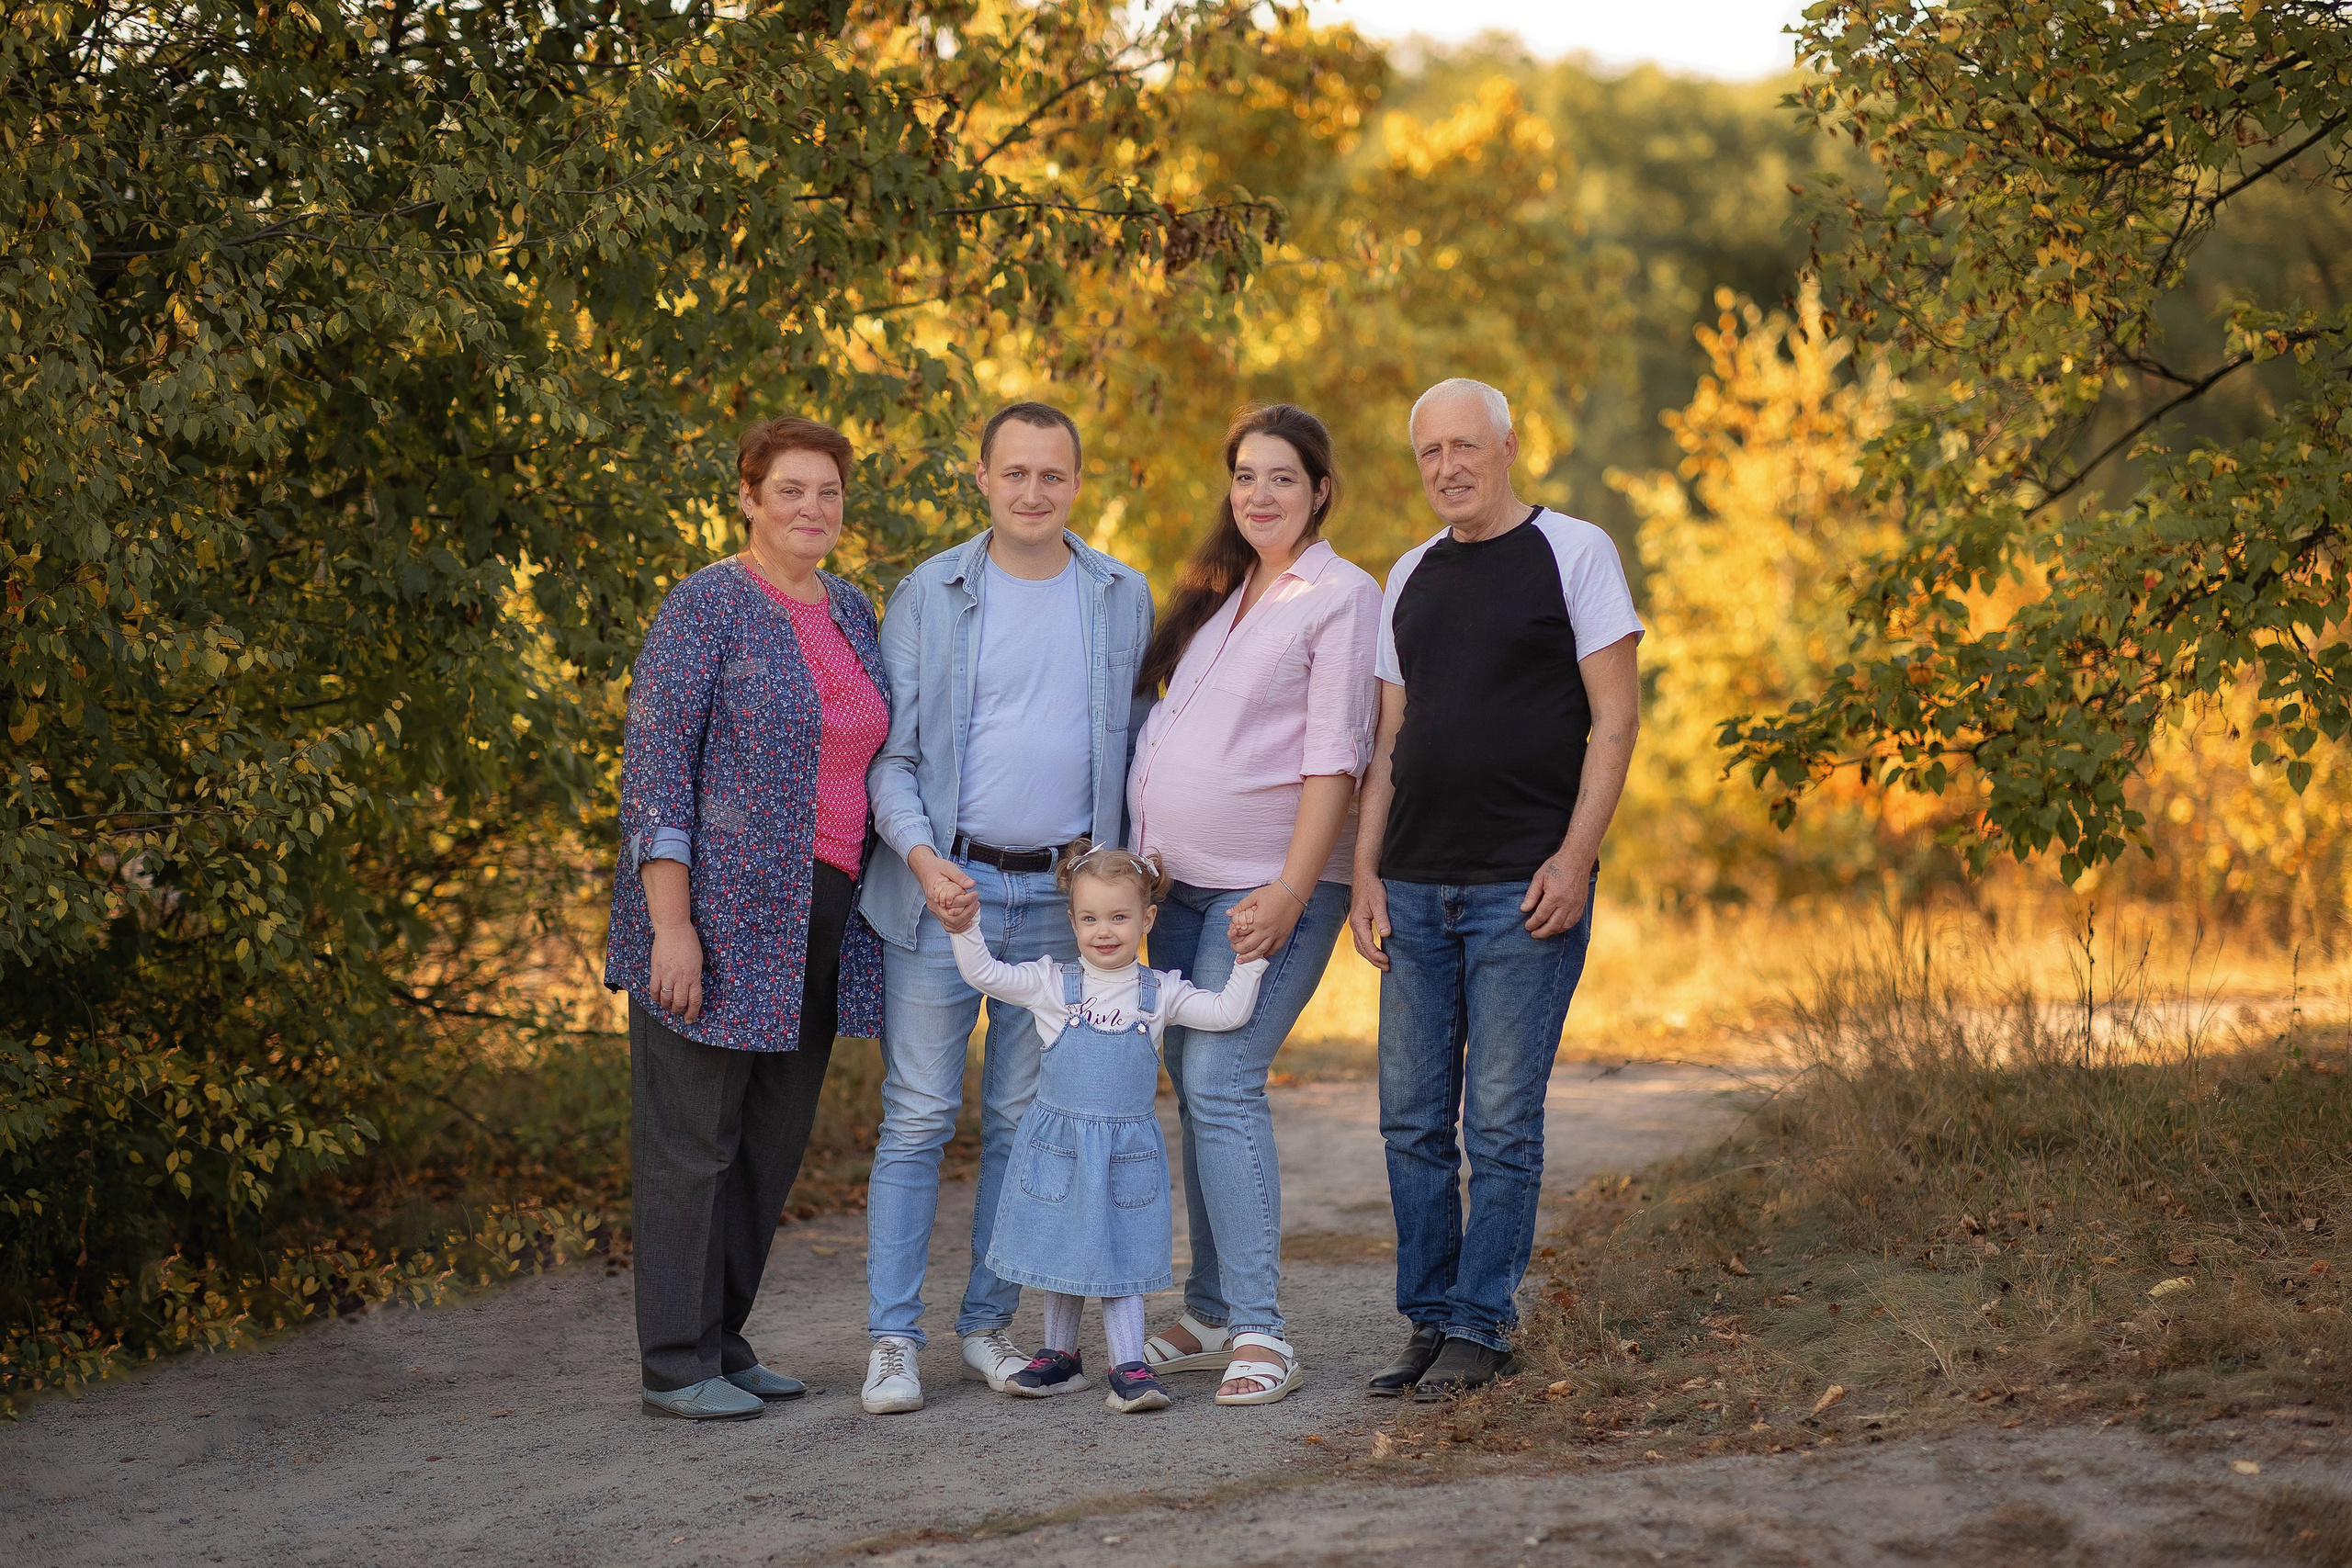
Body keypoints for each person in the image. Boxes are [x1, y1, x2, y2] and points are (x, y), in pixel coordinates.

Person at [858, 401, 1158, 1415]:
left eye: (1054, 475)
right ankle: (892, 1343)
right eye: (1015, 473)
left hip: (1069, 908)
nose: (1034, 492)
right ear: (980, 478)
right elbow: (891, 760)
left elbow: (1133, 746)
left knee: (1024, 1124)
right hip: (949, 892)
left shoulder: (1119, 595)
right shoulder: (930, 593)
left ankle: (984, 1326)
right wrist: (921, 856)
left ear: (1079, 483)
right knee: (918, 1116)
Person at [1349, 378, 1644, 1400]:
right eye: (1429, 452)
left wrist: (1573, 856)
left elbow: (1615, 721)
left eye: (1465, 447)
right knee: (1412, 1120)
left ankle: (1483, 1322)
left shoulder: (1576, 552)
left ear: (1509, 446)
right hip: (1416, 888)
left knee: (1502, 1120)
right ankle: (1430, 1320)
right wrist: (1363, 878)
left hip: (1527, 890)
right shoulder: (1408, 575)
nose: (1447, 468)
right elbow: (1385, 742)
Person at [605, 415, 892, 1420]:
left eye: (827, 493)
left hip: (823, 915)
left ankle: (723, 1340)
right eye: (791, 491)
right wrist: (670, 927)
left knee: (770, 1142)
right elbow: (654, 778)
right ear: (748, 498)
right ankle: (674, 1362)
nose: (812, 509)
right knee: (693, 1141)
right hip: (714, 918)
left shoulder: (854, 611)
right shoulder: (704, 607)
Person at [1123, 403, 1380, 1404]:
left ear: (1319, 491)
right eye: (1245, 477)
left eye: (1282, 477)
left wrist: (1285, 891)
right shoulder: (1221, 593)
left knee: (1224, 1076)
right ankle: (1215, 1305)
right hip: (1177, 893)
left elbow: (1334, 759)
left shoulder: (1339, 594)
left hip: (1272, 888)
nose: (1260, 494)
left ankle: (1264, 1332)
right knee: (1191, 1077)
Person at [943, 841, 1267, 1414]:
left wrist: (1250, 961)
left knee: (1119, 1253)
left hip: (1124, 1152)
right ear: (1072, 921)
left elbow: (1225, 1013)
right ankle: (1059, 1357)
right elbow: (985, 973)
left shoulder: (1158, 992)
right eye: (1090, 918)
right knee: (1062, 1247)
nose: (1104, 931)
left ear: (1147, 918)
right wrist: (965, 927)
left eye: (1119, 917)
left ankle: (1128, 1364)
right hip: (1059, 1151)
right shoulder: (1053, 984)